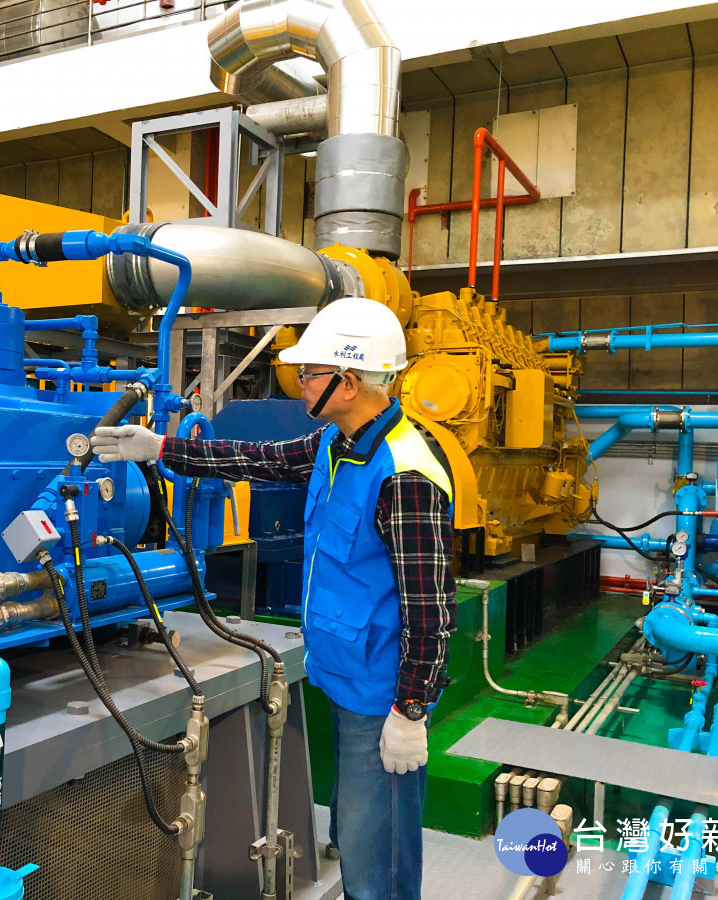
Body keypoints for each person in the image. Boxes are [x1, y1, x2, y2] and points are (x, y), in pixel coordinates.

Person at [90, 297, 457, 900]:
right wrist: (159, 450)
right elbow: (254, 458)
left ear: (350, 380)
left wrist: (411, 710)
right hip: (342, 674)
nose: (301, 382)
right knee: (354, 830)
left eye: (311, 373)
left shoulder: (405, 474)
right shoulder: (335, 445)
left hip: (382, 696)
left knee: (378, 855)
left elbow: (430, 608)